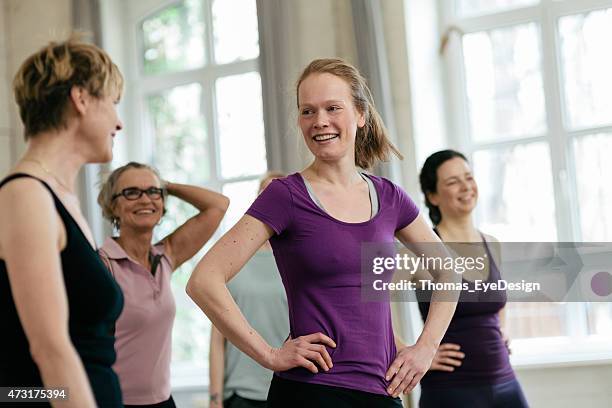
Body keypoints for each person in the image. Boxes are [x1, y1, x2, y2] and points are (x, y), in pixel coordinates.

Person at [187, 58, 457, 408]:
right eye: (307, 112)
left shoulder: (389, 196)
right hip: (309, 392)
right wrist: (269, 354)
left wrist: (426, 347)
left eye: (333, 108)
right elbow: (204, 279)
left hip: (382, 390)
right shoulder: (285, 195)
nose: (320, 122)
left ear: (360, 114)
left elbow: (449, 269)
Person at [0, 37, 124, 407]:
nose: (119, 123)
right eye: (113, 103)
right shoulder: (25, 197)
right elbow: (49, 349)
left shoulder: (61, 200)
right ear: (81, 98)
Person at [97, 161, 229, 408]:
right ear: (113, 205)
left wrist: (165, 186)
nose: (145, 199)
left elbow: (218, 205)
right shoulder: (102, 265)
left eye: (152, 192)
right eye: (132, 192)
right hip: (115, 401)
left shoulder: (165, 255)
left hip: (163, 401)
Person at [417, 149, 529, 407]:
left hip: (505, 381)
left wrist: (502, 330)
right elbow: (371, 307)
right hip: (452, 390)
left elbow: (498, 303)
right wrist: (406, 351)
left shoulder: (492, 243)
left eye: (468, 177)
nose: (465, 187)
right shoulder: (422, 249)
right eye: (453, 182)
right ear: (433, 196)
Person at [209, 172, 290, 408]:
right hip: (241, 395)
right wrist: (215, 398)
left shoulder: (302, 258)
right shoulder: (234, 258)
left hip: (293, 390)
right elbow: (217, 338)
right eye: (266, 193)